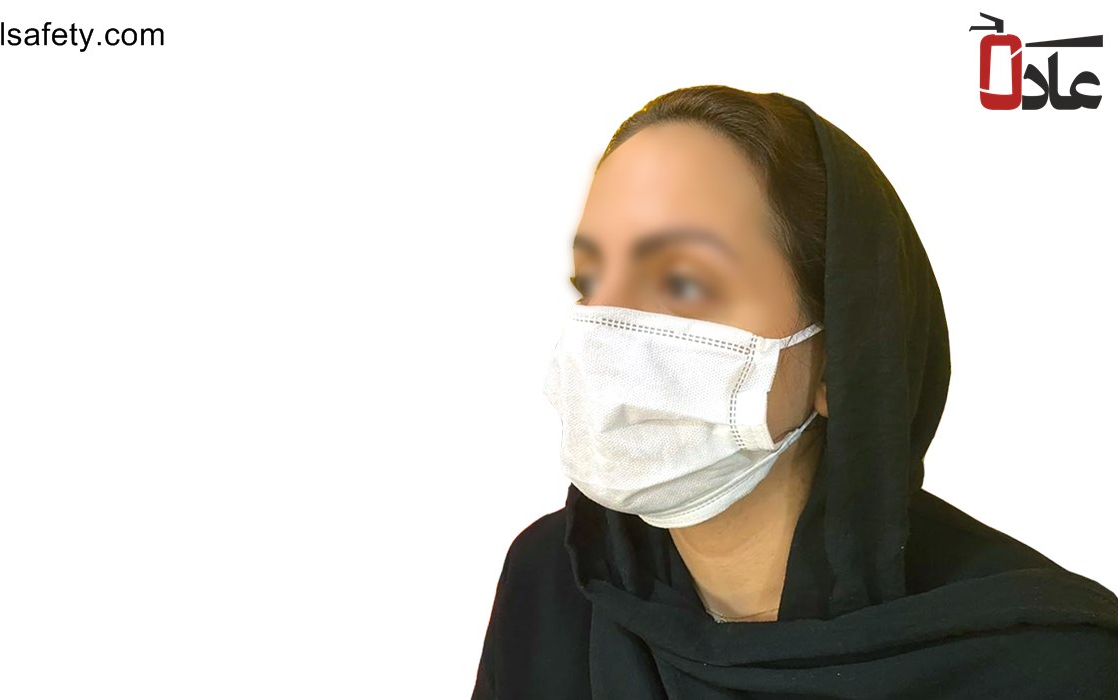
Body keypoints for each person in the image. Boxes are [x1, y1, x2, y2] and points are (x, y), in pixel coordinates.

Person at [470, 85, 1118, 699]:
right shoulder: (556, 583)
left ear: (842, 357)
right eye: (589, 284)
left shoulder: (1050, 664)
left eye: (683, 283)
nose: (606, 335)